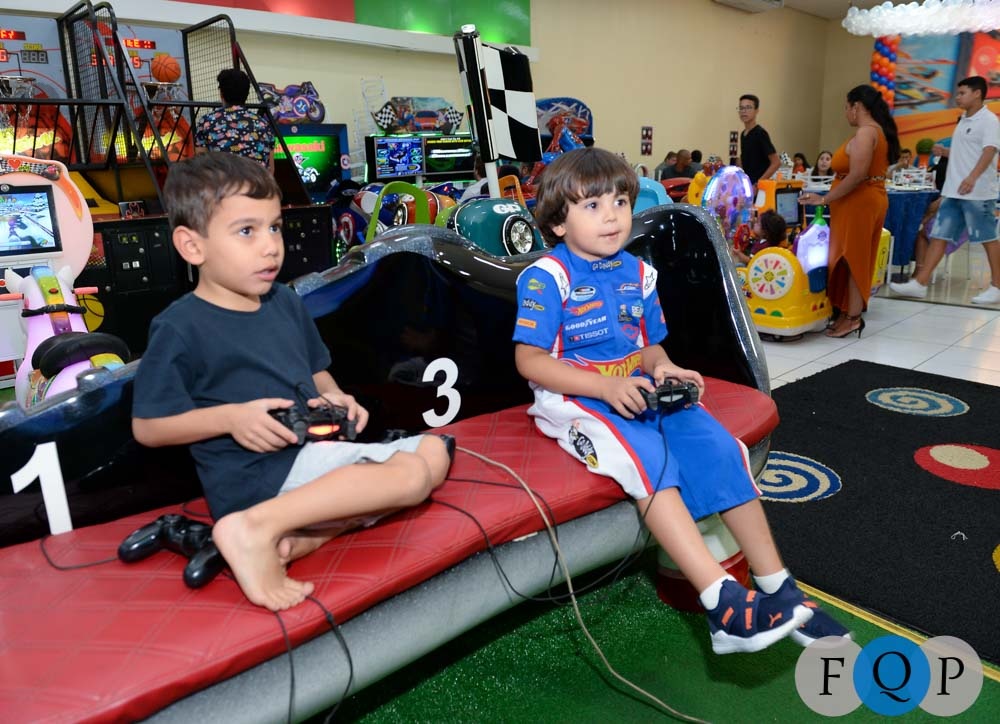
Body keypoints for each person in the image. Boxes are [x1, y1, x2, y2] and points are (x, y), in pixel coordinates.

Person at [512, 147, 848, 654]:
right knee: (648, 459)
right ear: (558, 223)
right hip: (574, 399)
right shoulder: (546, 277)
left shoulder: (638, 273)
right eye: (593, 205)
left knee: (720, 448)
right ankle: (721, 604)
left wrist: (663, 368)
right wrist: (604, 388)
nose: (612, 215)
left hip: (637, 389)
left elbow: (648, 347)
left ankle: (779, 587)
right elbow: (529, 360)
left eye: (620, 202)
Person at [131, 153, 452, 611]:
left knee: (435, 452)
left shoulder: (284, 301)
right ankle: (254, 528)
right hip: (257, 480)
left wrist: (336, 396)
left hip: (311, 452)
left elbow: (316, 372)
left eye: (275, 228)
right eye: (247, 231)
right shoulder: (180, 327)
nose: (270, 246)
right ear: (192, 246)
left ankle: (303, 538)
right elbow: (148, 427)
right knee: (413, 476)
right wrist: (231, 418)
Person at [799, 85, 899, 338]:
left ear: (857, 106)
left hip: (860, 202)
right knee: (849, 258)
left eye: (846, 107)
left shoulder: (867, 132)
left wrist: (824, 199)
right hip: (860, 201)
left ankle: (853, 317)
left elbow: (857, 175)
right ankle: (846, 312)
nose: (845, 113)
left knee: (854, 259)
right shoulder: (876, 131)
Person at [890, 76, 1000, 305]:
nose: (957, 97)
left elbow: (989, 151)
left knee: (988, 238)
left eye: (962, 93)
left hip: (977, 193)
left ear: (977, 94)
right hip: (953, 192)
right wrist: (946, 152)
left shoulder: (989, 121)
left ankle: (997, 286)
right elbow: (968, 153)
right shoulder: (964, 120)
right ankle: (920, 283)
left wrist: (972, 177)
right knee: (939, 235)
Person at [195, 68, 275, 171]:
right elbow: (270, 169)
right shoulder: (263, 124)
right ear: (246, 94)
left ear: (221, 93)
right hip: (257, 180)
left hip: (221, 180)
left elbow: (201, 166)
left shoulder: (207, 122)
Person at [738, 94, 780, 186]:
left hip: (760, 188)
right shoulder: (743, 134)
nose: (744, 111)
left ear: (756, 111)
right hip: (748, 185)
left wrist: (758, 184)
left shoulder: (760, 133)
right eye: (741, 108)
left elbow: (776, 162)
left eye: (748, 107)